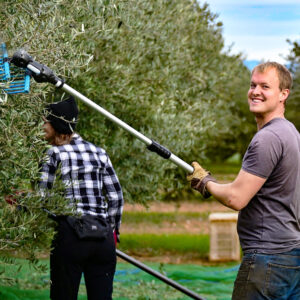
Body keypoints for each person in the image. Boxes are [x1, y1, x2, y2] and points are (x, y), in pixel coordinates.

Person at [187, 62, 300, 299]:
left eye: (265, 86)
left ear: (283, 94)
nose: (255, 91)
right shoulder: (291, 133)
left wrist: (204, 183)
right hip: (292, 256)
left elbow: (236, 197)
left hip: (267, 258)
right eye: (253, 85)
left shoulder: (268, 138)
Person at [39, 96, 124, 300]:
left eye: (45, 122)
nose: (42, 126)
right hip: (103, 238)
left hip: (71, 237)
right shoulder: (99, 153)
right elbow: (115, 196)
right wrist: (113, 231)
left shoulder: (52, 154)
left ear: (57, 123)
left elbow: (43, 198)